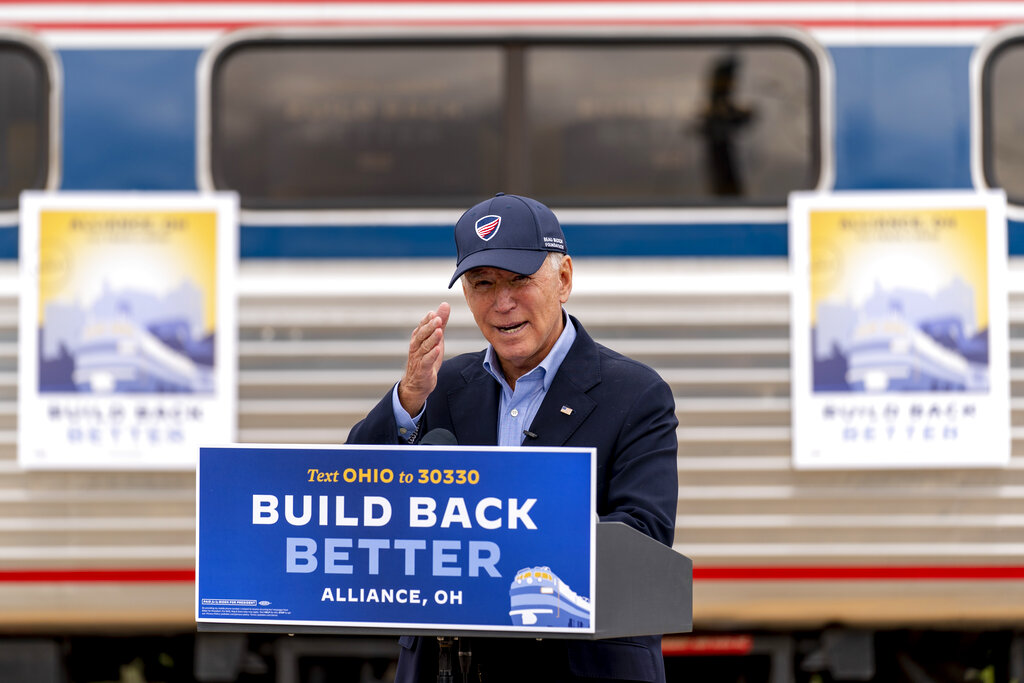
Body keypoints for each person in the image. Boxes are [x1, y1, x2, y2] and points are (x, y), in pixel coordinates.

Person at [347, 193, 679, 683]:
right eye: (483, 284)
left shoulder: (637, 394)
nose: (502, 303)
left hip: (580, 666)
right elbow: (351, 497)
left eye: (520, 280)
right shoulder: (440, 387)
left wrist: (506, 545)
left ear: (563, 279)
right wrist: (409, 397)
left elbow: (644, 536)